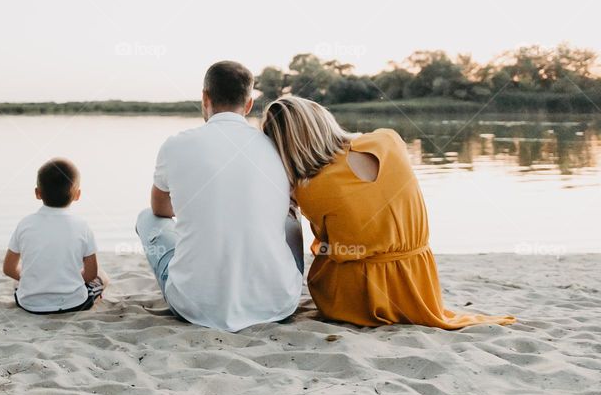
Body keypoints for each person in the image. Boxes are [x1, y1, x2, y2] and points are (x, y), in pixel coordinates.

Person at [261, 96, 516, 329]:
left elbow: (331, 247)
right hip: (419, 281)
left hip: (358, 296)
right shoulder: (388, 140)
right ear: (323, 119)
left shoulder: (311, 189)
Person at [136, 61, 304, 332]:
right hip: (278, 301)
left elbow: (160, 209)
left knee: (146, 218)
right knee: (290, 220)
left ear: (205, 98)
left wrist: (203, 210)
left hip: (194, 305)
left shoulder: (176, 144)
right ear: (248, 104)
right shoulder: (277, 147)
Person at [3, 158, 106, 314]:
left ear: (37, 193)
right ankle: (95, 297)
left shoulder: (25, 224)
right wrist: (69, 281)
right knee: (102, 277)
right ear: (77, 195)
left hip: (29, 304)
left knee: (18, 282)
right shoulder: (82, 226)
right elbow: (91, 273)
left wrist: (34, 281)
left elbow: (8, 269)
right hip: (73, 303)